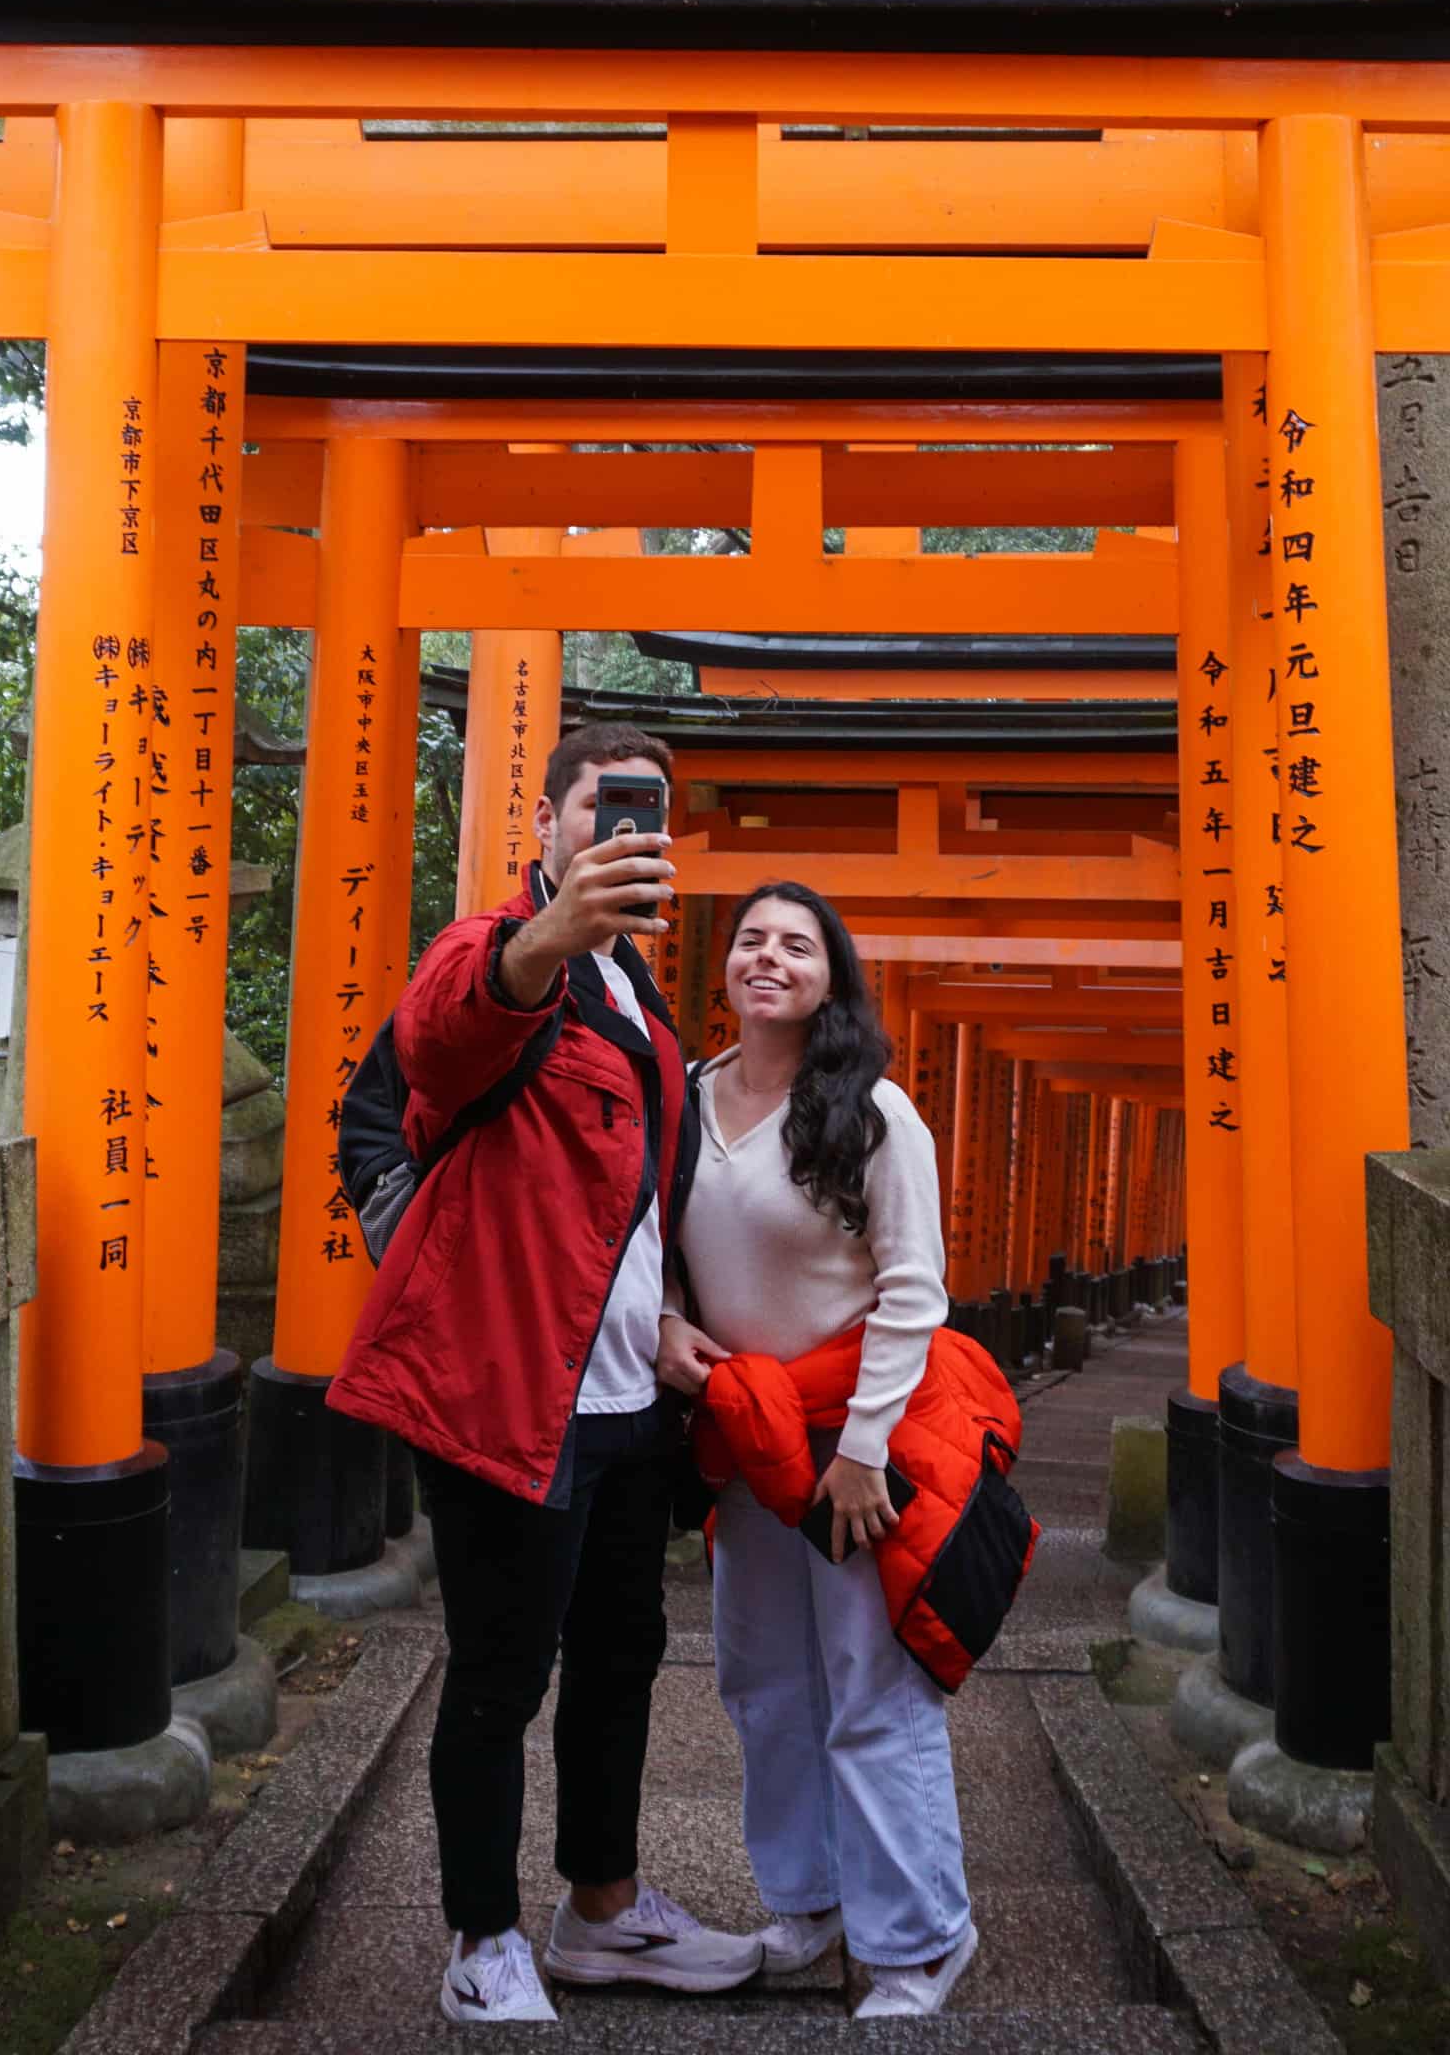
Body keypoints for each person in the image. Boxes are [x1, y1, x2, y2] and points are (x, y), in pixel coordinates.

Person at [326, 723, 767, 2024]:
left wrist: (672, 1317)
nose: (629, 831)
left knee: (623, 1653)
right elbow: (454, 1033)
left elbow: (627, 1209)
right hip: (508, 1393)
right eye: (605, 807)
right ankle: (480, 1939)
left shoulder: (642, 994)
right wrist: (546, 939)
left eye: (651, 815)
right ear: (546, 824)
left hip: (627, 1394)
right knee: (500, 1672)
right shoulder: (505, 954)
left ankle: (604, 1909)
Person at [656, 880, 983, 2019]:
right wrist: (660, 1319)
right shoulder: (686, 1097)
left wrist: (863, 1449)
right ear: (727, 967)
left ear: (830, 978)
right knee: (760, 1678)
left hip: (853, 1443)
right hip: (745, 1436)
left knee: (869, 1684)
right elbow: (649, 1245)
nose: (769, 957)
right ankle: (808, 1897)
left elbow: (914, 1292)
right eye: (752, 939)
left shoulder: (877, 1111)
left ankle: (919, 1938)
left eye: (798, 944)